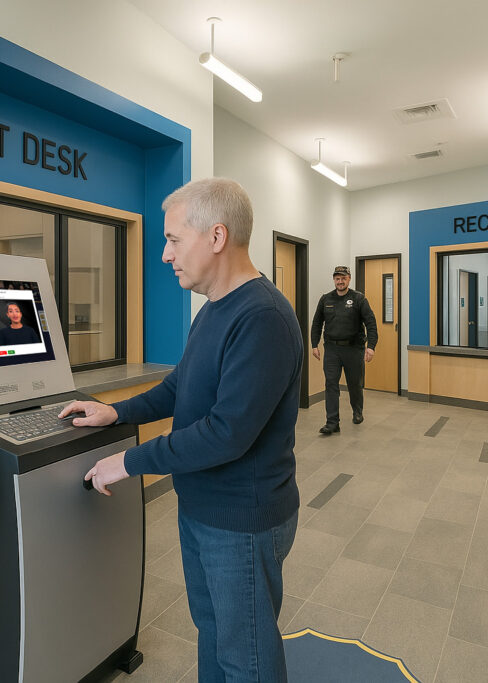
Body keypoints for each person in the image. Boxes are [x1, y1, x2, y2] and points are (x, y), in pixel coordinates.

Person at [59, 177, 302, 682]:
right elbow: (181, 388)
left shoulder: (263, 317)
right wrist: (116, 413)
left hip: (241, 520)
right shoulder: (213, 310)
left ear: (216, 237)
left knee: (246, 656)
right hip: (203, 508)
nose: (165, 255)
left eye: (173, 239)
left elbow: (225, 433)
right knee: (214, 632)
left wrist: (129, 461)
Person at [310, 265, 378, 434]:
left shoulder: (358, 299)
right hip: (332, 349)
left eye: (343, 278)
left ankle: (357, 412)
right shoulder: (326, 299)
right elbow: (317, 323)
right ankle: (332, 422)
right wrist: (314, 344)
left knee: (354, 384)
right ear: (334, 280)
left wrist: (371, 347)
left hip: (354, 349)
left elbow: (371, 323)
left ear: (349, 279)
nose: (340, 281)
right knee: (331, 384)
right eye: (337, 278)